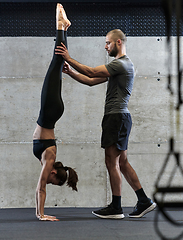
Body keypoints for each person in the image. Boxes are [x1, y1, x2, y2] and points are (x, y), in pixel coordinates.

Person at [55, 29, 156, 219]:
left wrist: (68, 58)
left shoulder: (121, 64)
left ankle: (116, 207)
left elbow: (92, 71)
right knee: (123, 163)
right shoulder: (121, 67)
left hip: (116, 118)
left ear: (118, 42)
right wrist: (71, 72)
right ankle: (143, 201)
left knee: (112, 162)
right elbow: (91, 80)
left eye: (108, 43)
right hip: (119, 118)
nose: (105, 46)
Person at [32, 3, 78, 222]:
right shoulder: (49, 158)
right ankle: (60, 26)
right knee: (57, 61)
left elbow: (43, 184)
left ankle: (64, 28)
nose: (48, 180)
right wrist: (41, 215)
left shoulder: (48, 160)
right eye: (52, 180)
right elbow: (41, 187)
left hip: (50, 113)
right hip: (49, 112)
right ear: (53, 173)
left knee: (57, 65)